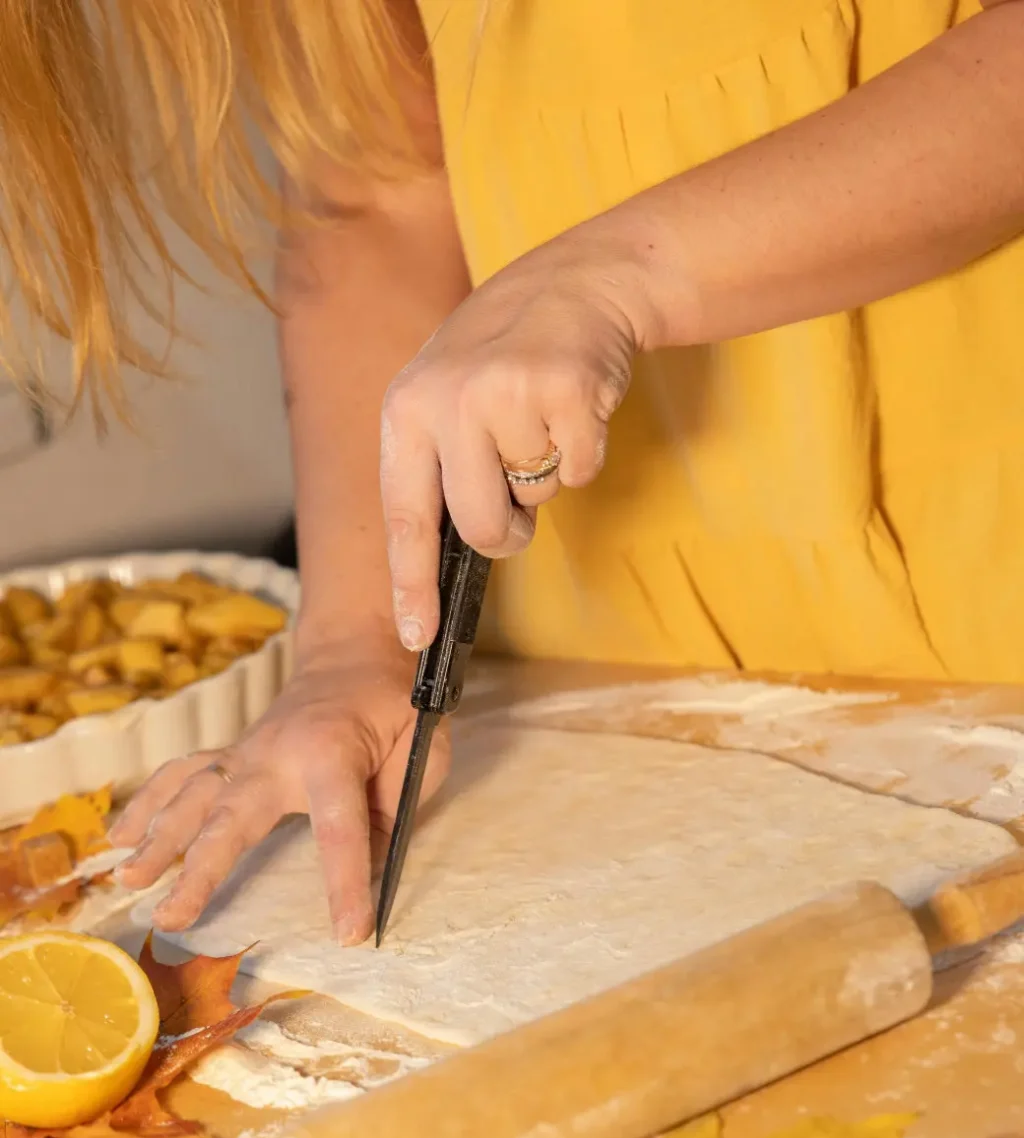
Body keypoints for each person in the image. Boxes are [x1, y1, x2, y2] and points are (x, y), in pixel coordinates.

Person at [6, 0, 1024, 944]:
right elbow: (380, 195)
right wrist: (354, 645)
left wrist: (624, 274)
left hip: (985, 580)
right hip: (611, 654)